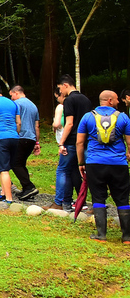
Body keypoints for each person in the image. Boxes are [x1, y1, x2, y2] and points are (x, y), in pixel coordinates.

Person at [77, 90, 130, 243]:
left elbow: (80, 142)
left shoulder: (88, 117)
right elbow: (129, 142)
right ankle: (127, 236)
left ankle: (101, 235)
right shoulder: (123, 117)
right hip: (118, 164)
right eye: (115, 99)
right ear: (109, 101)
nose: (118, 102)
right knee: (122, 198)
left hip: (95, 163)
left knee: (98, 196)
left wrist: (81, 162)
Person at [49, 74, 92, 212]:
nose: (60, 92)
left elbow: (69, 123)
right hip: (84, 141)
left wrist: (61, 143)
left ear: (65, 85)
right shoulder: (86, 100)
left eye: (60, 88)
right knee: (77, 170)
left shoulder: (69, 101)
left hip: (71, 141)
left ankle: (58, 202)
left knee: (62, 170)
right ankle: (70, 202)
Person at [9, 85, 40, 200]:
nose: (11, 97)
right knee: (21, 164)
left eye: (11, 95)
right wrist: (37, 142)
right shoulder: (33, 106)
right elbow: (37, 126)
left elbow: (17, 122)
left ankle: (29, 187)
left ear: (16, 93)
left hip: (21, 137)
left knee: (15, 163)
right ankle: (27, 190)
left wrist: (14, 134)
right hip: (31, 138)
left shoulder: (17, 104)